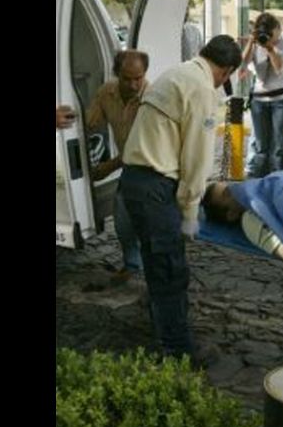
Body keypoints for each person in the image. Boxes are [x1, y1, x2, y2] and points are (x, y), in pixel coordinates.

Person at [120, 35, 242, 362]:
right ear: (226, 71)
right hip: (153, 184)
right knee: (170, 268)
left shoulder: (176, 73)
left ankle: (159, 322)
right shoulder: (202, 89)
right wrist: (190, 210)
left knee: (156, 260)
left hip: (134, 179)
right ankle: (177, 350)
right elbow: (197, 159)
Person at [86, 50, 150, 282]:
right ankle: (133, 265)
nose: (134, 85)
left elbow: (142, 147)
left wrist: (108, 167)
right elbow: (90, 122)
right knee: (123, 222)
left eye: (138, 78)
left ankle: (157, 273)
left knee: (151, 223)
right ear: (116, 74)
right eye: (127, 78)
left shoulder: (151, 97)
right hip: (131, 167)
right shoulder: (107, 92)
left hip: (155, 168)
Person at [241, 12, 283, 177]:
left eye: (273, 32)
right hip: (259, 101)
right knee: (260, 144)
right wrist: (251, 42)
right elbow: (243, 64)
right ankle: (258, 179)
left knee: (280, 145)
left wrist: (270, 48)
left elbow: (279, 68)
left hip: (281, 101)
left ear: (278, 29)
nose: (271, 36)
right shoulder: (256, 44)